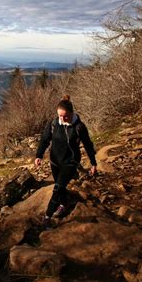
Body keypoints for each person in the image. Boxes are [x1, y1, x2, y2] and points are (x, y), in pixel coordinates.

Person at [35, 95, 97, 228]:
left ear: (72, 113)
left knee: (57, 188)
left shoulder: (79, 127)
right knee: (60, 186)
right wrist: (39, 155)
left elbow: (88, 145)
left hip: (70, 162)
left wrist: (93, 163)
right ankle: (63, 204)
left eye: (65, 116)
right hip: (55, 161)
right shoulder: (53, 123)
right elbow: (45, 139)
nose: (62, 119)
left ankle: (47, 217)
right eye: (60, 116)